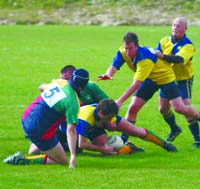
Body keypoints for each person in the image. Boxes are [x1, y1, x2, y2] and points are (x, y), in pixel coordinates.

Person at [98, 32, 200, 144]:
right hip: (150, 79)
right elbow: (114, 66)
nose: (127, 52)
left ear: (137, 46)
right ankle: (123, 141)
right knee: (133, 108)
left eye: (130, 48)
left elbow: (136, 84)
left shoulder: (144, 58)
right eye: (126, 48)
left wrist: (120, 101)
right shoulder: (123, 51)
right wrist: (109, 74)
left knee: (179, 108)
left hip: (165, 78)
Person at [3, 68, 89, 168]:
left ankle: (38, 148)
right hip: (38, 128)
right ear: (83, 86)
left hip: (27, 116)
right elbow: (71, 131)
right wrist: (73, 155)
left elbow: (42, 87)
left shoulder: (61, 83)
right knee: (62, 160)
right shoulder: (73, 102)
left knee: (34, 150)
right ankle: (22, 160)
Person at [155, 17, 200, 147]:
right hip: (166, 79)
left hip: (182, 80)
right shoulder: (164, 41)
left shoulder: (188, 45)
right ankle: (175, 128)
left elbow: (179, 59)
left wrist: (162, 56)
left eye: (179, 26)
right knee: (163, 109)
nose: (175, 27)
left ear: (185, 29)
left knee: (185, 109)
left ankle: (198, 139)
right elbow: (155, 57)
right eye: (174, 25)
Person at [76, 99, 177, 154]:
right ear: (101, 113)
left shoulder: (106, 113)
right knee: (104, 148)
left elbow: (112, 119)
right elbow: (82, 144)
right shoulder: (84, 120)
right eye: (110, 117)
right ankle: (129, 148)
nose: (112, 119)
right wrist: (100, 149)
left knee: (136, 131)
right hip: (86, 129)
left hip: (99, 122)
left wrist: (110, 121)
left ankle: (166, 145)